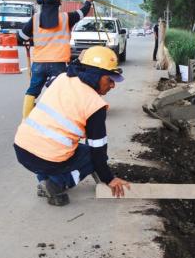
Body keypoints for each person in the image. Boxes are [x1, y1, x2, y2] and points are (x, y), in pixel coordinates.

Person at [13, 46, 131, 206]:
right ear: (95, 75)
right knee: (92, 157)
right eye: (109, 79)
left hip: (22, 148)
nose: (112, 85)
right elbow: (98, 151)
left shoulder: (62, 78)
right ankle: (56, 183)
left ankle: (44, 180)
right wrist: (109, 178)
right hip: (45, 157)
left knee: (63, 147)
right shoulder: (95, 105)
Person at [17, 0, 94, 119]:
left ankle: (26, 119)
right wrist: (88, 2)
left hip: (39, 63)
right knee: (59, 92)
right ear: (58, 3)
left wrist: (31, 38)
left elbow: (21, 37)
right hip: (58, 63)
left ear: (42, 3)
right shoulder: (66, 18)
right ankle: (57, 119)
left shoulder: (35, 19)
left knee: (32, 91)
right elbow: (82, 13)